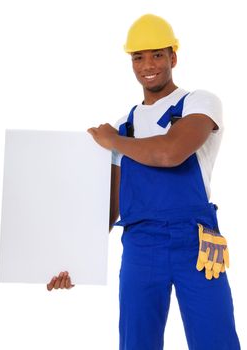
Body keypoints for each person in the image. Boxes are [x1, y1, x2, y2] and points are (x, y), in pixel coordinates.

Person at [47, 14, 241, 350]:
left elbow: (172, 152)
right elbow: (109, 207)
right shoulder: (126, 125)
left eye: (156, 55)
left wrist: (112, 141)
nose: (147, 65)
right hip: (141, 245)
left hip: (196, 243)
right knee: (137, 343)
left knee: (216, 340)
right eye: (138, 56)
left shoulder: (200, 103)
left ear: (173, 57)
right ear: (131, 62)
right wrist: (72, 263)